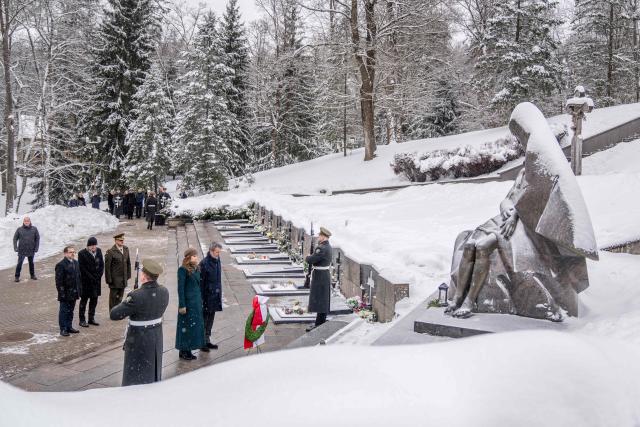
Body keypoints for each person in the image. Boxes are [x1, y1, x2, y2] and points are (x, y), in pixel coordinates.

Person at [110, 259, 169, 386]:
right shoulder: (164, 291)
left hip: (139, 340)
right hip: (156, 336)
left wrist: (128, 299)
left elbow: (114, 314)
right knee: (153, 373)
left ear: (143, 276)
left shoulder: (136, 296)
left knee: (136, 377)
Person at [175, 248, 205, 360]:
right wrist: (182, 305)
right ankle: (184, 350)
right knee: (186, 327)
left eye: (196, 256)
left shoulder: (196, 269)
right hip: (187, 304)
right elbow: (180, 289)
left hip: (196, 303)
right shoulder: (182, 270)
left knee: (192, 328)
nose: (196, 258)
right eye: (194, 256)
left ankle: (187, 350)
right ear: (188, 257)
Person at [305, 227, 333, 332]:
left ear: (323, 236)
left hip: (320, 276)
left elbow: (311, 260)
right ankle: (320, 321)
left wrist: (308, 257)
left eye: (319, 235)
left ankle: (319, 323)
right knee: (323, 299)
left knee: (321, 300)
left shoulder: (321, 248)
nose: (318, 237)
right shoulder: (327, 246)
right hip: (323, 274)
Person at [199, 242, 223, 351]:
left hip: (215, 295)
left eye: (219, 252)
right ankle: (202, 342)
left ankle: (207, 340)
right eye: (217, 252)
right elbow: (201, 283)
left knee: (211, 319)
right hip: (207, 296)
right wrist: (202, 299)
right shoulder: (204, 264)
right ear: (211, 251)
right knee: (204, 319)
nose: (218, 254)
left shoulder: (217, 261)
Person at [78, 237, 104, 327]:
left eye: (95, 245)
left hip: (96, 281)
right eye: (91, 245)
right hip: (86, 282)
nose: (93, 247)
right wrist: (91, 277)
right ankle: (82, 320)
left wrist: (99, 275)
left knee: (94, 300)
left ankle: (91, 318)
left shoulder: (99, 251)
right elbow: (82, 268)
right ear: (88, 246)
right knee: (84, 301)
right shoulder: (82, 253)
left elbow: (101, 265)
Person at [55, 246, 81, 336]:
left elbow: (78, 278)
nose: (72, 254)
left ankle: (69, 327)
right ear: (65, 253)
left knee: (71, 310)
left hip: (74, 292)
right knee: (63, 311)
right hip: (65, 293)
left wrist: (79, 290)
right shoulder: (61, 265)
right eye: (70, 252)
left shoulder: (76, 263)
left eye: (74, 252)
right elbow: (59, 282)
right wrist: (61, 293)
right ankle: (63, 329)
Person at [104, 233, 131, 310]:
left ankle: (118, 312)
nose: (122, 242)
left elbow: (128, 263)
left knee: (120, 297)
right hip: (114, 279)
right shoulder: (111, 252)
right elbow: (107, 267)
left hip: (123, 279)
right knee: (113, 297)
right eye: (120, 240)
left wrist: (128, 275)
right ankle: (112, 312)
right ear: (116, 241)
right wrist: (109, 280)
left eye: (123, 240)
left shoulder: (126, 249)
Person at [13, 216, 40, 282]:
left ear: (30, 221)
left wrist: (36, 248)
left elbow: (37, 239)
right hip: (22, 250)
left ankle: (32, 275)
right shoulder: (19, 229)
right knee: (19, 263)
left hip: (31, 249)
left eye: (28, 221)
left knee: (31, 263)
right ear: (23, 222)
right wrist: (15, 247)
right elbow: (15, 239)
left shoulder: (34, 229)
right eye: (25, 221)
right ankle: (17, 276)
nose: (26, 222)